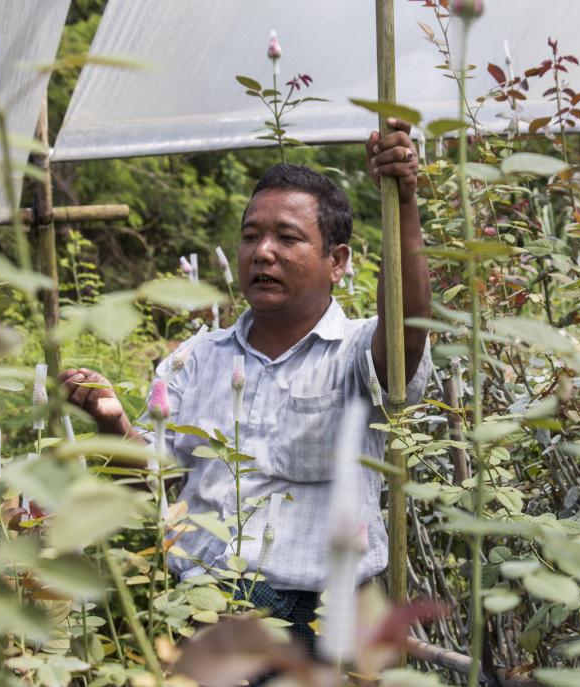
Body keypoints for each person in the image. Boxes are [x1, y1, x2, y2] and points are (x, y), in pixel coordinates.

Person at [59, 119, 432, 651]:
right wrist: (111, 421)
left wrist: (403, 202)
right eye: (251, 235)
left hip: (324, 630)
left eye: (288, 237)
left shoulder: (355, 352)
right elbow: (148, 486)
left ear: (338, 262)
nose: (263, 252)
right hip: (205, 623)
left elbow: (409, 329)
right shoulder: (195, 359)